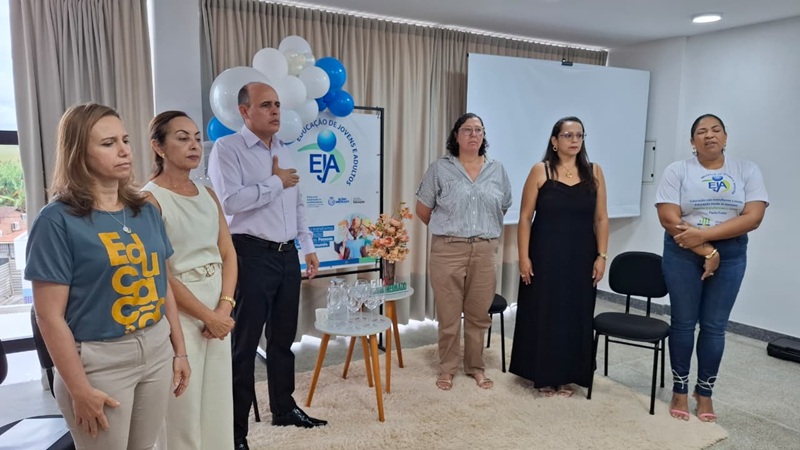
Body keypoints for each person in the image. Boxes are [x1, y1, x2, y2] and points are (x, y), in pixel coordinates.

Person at [24, 103, 191, 449]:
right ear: (78, 154)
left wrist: (180, 350)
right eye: (108, 143)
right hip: (99, 360)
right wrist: (79, 389)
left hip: (156, 349)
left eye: (125, 140)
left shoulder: (145, 210)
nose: (124, 150)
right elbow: (48, 316)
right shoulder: (56, 221)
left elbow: (162, 287)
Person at [208, 82, 326, 450]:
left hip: (287, 254)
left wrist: (307, 246)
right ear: (244, 111)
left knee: (283, 339)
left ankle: (284, 408)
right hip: (250, 255)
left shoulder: (285, 150)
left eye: (277, 104)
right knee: (243, 347)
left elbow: (298, 203)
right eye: (265, 105)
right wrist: (275, 181)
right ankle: (235, 432)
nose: (275, 111)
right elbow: (230, 202)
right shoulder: (227, 149)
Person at [656, 113, 768, 422]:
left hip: (730, 253)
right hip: (683, 250)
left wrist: (706, 238)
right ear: (692, 142)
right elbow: (668, 218)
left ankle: (704, 393)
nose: (709, 135)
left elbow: (753, 217)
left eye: (716, 130)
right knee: (683, 322)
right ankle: (680, 389)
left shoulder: (747, 170)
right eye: (702, 132)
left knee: (715, 326)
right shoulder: (677, 171)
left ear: (725, 137)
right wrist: (706, 249)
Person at [142, 111, 237, 449]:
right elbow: (161, 273)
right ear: (159, 146)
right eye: (182, 138)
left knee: (217, 403)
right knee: (182, 407)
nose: (194, 145)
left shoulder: (208, 194)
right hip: (179, 313)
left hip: (218, 304)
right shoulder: (149, 200)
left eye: (197, 138)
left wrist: (224, 307)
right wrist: (208, 315)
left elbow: (228, 253)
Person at [509, 116, 609, 398]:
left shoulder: (595, 172)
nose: (575, 140)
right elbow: (525, 218)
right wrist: (524, 257)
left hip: (581, 257)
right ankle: (542, 374)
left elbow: (601, 218)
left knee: (575, 313)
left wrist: (602, 256)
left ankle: (568, 376)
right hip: (544, 256)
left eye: (579, 135)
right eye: (568, 135)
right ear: (554, 141)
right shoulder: (540, 170)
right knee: (544, 312)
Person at [416, 112, 512, 391]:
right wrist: (450, 229)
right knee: (448, 315)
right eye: (467, 130)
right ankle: (447, 368)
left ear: (484, 136)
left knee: (478, 315)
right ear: (456, 136)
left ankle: (475, 367)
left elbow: (503, 206)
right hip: (448, 250)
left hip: (484, 250)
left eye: (479, 130)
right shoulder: (440, 169)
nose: (473, 134)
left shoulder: (497, 170)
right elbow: (423, 209)